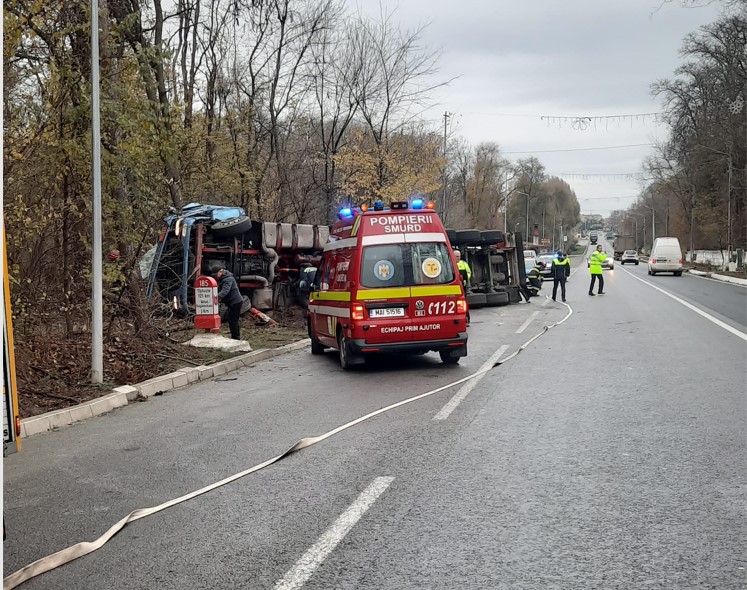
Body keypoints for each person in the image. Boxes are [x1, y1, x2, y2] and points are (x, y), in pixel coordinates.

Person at [215, 267, 244, 339]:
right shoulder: (224, 278)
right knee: (231, 320)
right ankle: (235, 336)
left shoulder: (228, 279)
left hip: (235, 302)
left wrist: (216, 297)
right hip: (232, 302)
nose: (215, 276)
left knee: (233, 320)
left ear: (220, 272)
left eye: (216, 274)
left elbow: (225, 291)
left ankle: (236, 338)